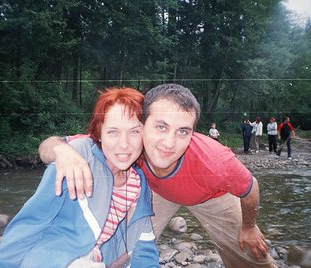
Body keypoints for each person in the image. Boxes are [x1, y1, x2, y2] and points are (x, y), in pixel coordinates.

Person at [39, 84, 277, 268]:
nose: (169, 143)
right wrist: (63, 152)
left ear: (192, 132)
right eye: (161, 127)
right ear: (142, 124)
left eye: (183, 131)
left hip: (211, 195)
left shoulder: (216, 161)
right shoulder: (129, 143)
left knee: (250, 252)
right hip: (158, 193)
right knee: (126, 245)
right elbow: (49, 145)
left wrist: (249, 225)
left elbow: (250, 187)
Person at [0, 87, 159, 268]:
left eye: (134, 131)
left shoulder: (138, 183)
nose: (124, 144)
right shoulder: (76, 156)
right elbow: (32, 222)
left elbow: (143, 244)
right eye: (113, 131)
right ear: (99, 133)